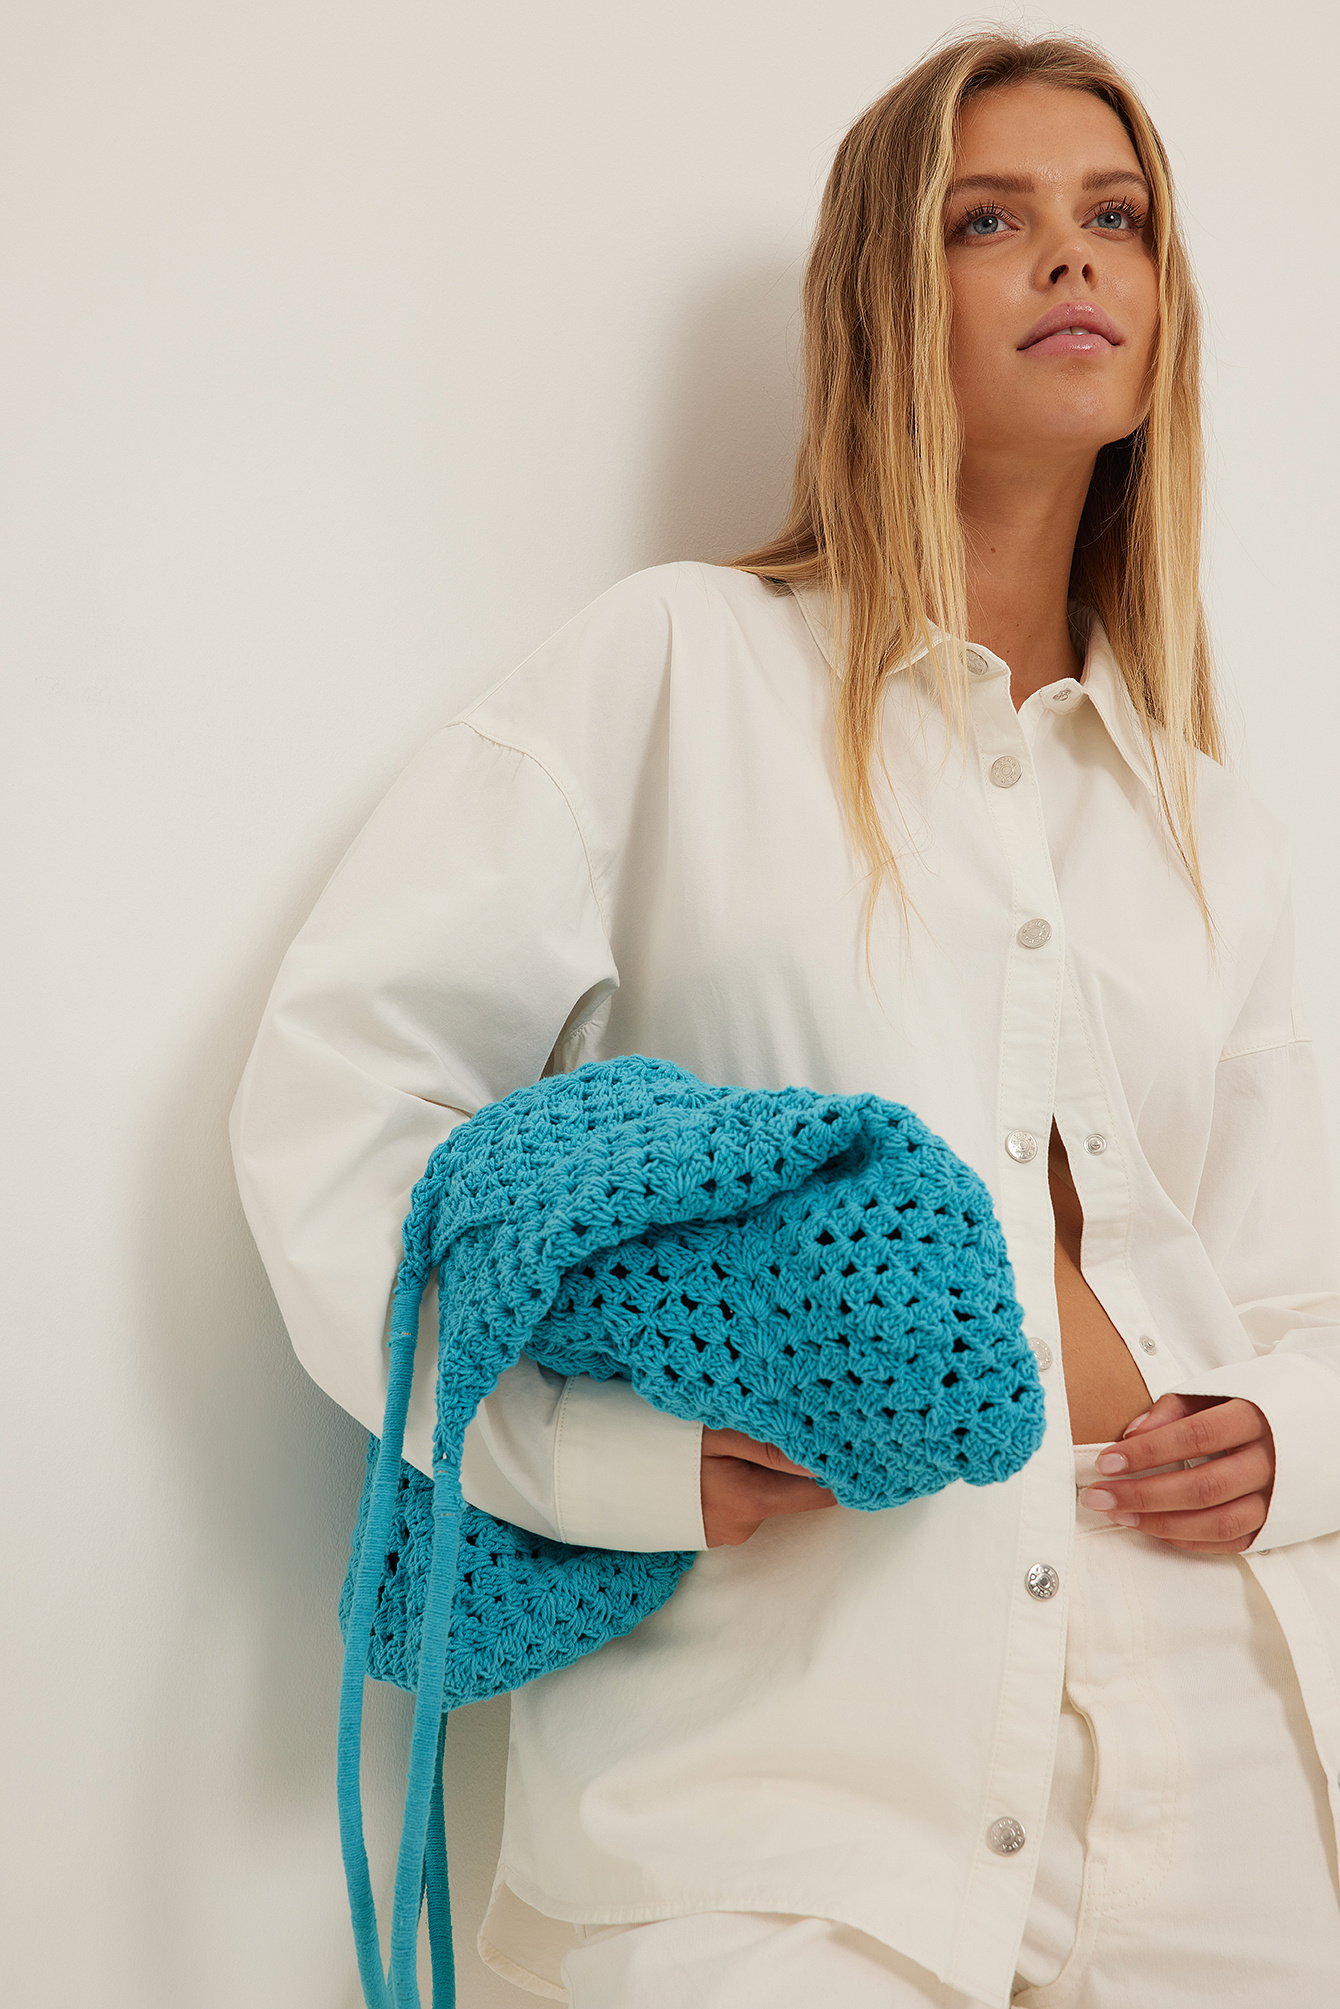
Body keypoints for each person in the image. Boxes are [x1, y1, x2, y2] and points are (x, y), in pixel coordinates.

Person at [230, 29, 1340, 2009]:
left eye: (1116, 218)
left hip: (1218, 1755)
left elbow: (1302, 1279)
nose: (1071, 258)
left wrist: (1293, 1438)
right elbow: (344, 1110)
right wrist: (588, 1461)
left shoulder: (1215, 832)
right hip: (780, 1771)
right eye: (987, 221)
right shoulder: (674, 673)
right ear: (880, 299)